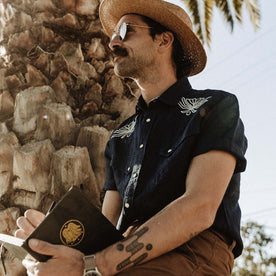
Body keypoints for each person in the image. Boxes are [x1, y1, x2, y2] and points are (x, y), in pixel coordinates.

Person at [15, 0, 248, 275]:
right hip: (123, 258)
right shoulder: (120, 136)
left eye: (126, 30)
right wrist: (54, 246)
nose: (112, 42)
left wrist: (91, 266)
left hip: (193, 252)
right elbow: (105, 226)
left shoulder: (215, 106)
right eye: (112, 34)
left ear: (163, 40)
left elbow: (200, 207)